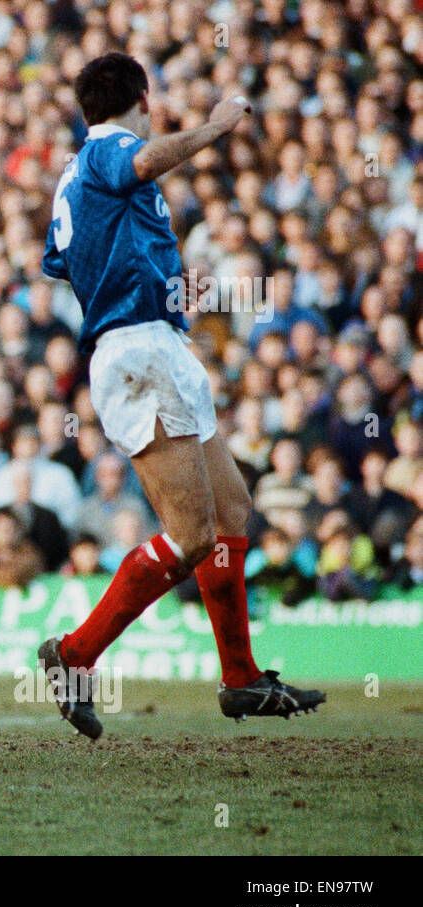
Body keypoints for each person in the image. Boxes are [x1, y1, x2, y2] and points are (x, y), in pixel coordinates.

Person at [37, 53, 325, 739]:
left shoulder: (73, 179)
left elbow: (59, 259)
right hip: (137, 349)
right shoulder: (110, 150)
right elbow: (136, 165)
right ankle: (72, 654)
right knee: (192, 536)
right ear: (142, 96)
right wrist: (216, 126)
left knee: (233, 508)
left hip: (155, 342)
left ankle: (241, 679)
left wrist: (144, 267)